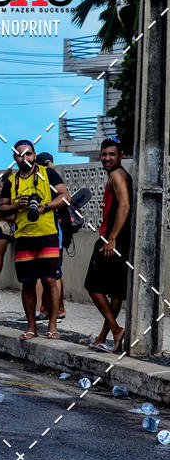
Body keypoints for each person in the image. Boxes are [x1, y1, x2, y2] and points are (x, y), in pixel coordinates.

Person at [0, 139, 71, 340]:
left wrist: (45, 207)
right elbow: (1, 209)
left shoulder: (48, 174)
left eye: (28, 154)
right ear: (14, 157)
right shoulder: (11, 181)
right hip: (23, 237)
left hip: (47, 235)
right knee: (28, 283)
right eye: (20, 155)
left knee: (49, 281)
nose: (25, 158)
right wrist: (16, 205)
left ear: (34, 155)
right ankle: (31, 327)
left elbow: (65, 197)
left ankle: (52, 326)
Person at [84, 137, 132, 353]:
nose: (107, 158)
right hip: (122, 239)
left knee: (93, 286)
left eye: (112, 154)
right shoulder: (122, 174)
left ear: (121, 156)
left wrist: (111, 238)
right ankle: (104, 337)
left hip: (111, 239)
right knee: (116, 292)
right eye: (104, 154)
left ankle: (116, 329)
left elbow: (125, 206)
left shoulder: (116, 175)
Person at [34, 153, 66, 320]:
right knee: (55, 275)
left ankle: (45, 310)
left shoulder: (45, 178)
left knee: (48, 276)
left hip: (49, 232)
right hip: (55, 233)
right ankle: (57, 310)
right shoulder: (54, 179)